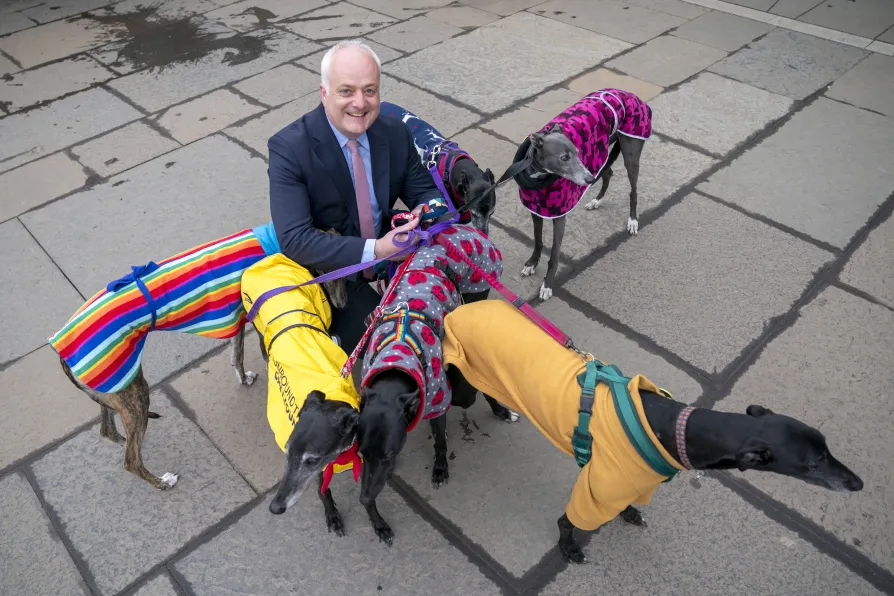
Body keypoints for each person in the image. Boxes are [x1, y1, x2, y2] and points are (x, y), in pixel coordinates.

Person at [267, 39, 443, 353]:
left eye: (369, 90)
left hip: (391, 246)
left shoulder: (394, 133)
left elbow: (426, 192)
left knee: (444, 318)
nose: (360, 103)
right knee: (392, 344)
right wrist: (378, 249)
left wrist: (424, 212)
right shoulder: (289, 148)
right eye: (346, 91)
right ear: (324, 93)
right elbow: (295, 240)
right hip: (334, 274)